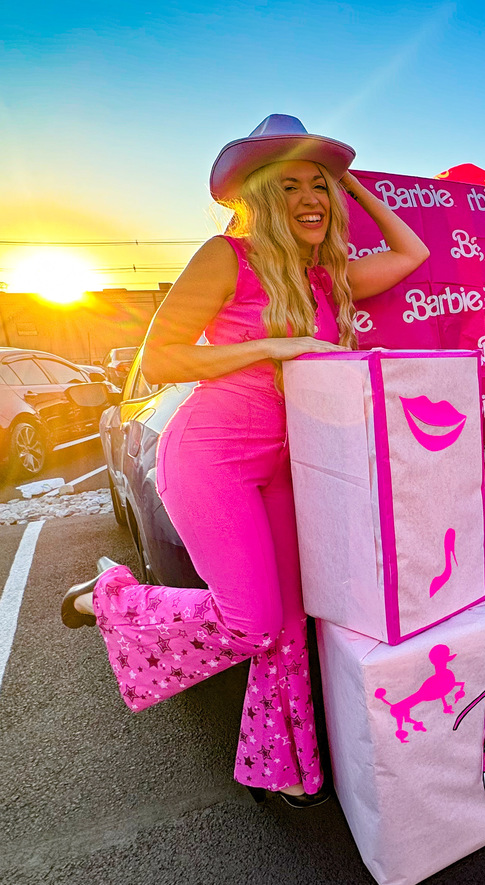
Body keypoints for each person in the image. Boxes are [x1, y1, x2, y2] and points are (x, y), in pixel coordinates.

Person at [60, 114, 429, 807]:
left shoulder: (328, 275)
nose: (310, 197)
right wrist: (274, 348)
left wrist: (351, 183)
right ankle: (105, 598)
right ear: (258, 198)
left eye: (319, 184)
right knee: (251, 620)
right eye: (289, 184)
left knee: (290, 625)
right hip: (211, 459)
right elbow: (158, 360)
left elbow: (411, 254)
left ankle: (283, 767)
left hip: (285, 468)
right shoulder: (225, 257)